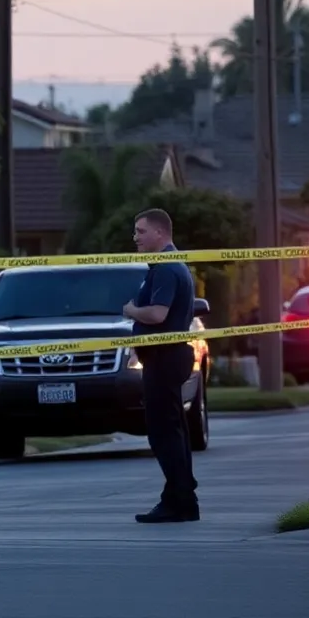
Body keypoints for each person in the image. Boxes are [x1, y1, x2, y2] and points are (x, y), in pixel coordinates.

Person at [122, 207, 200, 524]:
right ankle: (179, 497)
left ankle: (181, 499)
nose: (135, 237)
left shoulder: (166, 268)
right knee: (173, 430)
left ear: (159, 232)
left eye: (140, 231)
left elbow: (157, 315)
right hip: (165, 355)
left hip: (166, 358)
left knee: (163, 432)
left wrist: (130, 310)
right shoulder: (167, 264)